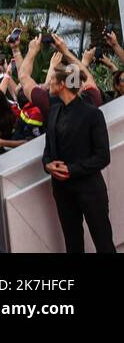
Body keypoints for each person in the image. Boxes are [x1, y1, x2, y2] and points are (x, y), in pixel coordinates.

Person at [42, 61, 114, 253]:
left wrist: (71, 170)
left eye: (52, 80)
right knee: (73, 246)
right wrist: (48, 165)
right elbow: (48, 149)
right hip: (62, 192)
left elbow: (103, 156)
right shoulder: (54, 111)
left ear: (62, 84)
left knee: (104, 244)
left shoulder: (93, 114)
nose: (49, 83)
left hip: (90, 191)